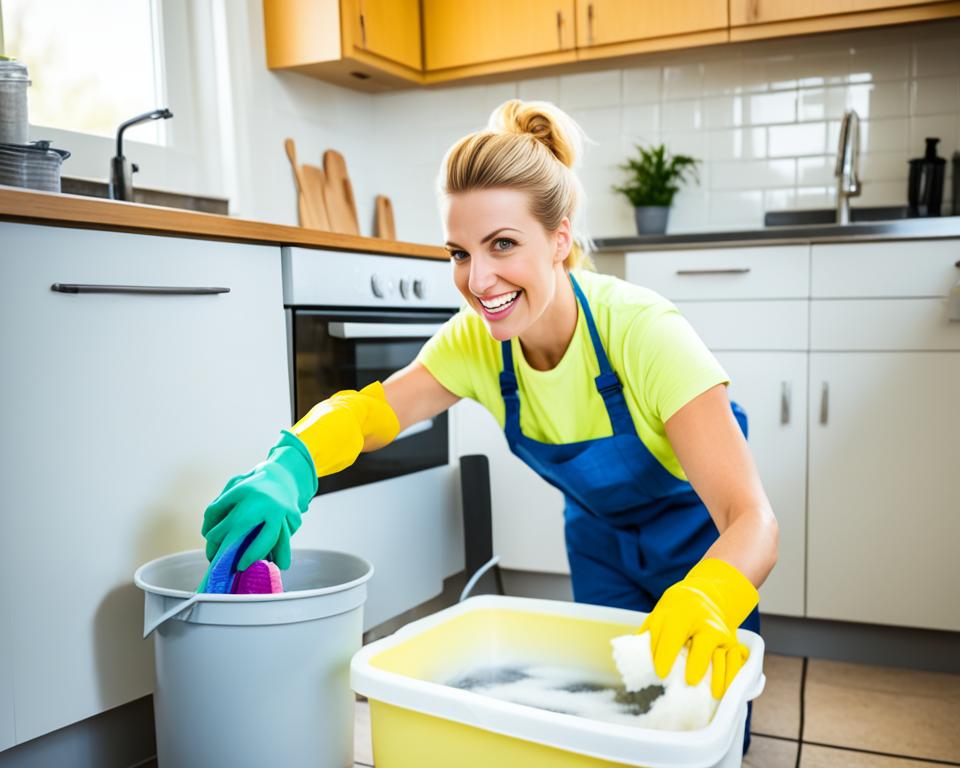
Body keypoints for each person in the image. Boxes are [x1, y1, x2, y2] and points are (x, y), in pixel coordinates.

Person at [201, 99, 778, 752]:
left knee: (706, 733)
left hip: (704, 547)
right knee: (614, 724)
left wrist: (707, 596)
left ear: (560, 240)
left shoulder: (643, 331)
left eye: (503, 243)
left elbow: (752, 519)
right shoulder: (476, 344)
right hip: (598, 541)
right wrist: (291, 463)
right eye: (458, 252)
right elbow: (371, 414)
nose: (477, 280)